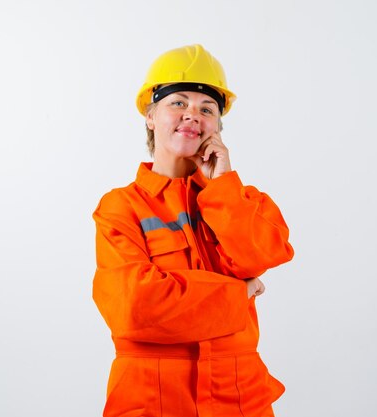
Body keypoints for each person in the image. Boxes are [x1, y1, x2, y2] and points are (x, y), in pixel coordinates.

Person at [92, 44, 294, 417]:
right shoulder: (121, 207)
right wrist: (238, 295)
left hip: (239, 398)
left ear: (218, 126)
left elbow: (263, 255)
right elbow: (135, 308)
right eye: (178, 103)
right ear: (151, 116)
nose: (192, 115)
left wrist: (222, 187)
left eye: (207, 109)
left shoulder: (243, 199)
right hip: (152, 400)